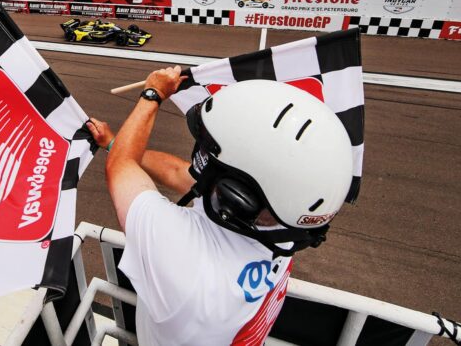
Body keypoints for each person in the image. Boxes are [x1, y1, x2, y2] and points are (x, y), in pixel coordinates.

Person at [86, 65, 354, 345]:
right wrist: (116, 142)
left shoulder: (179, 252)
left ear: (236, 195)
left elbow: (121, 165)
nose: (202, 152)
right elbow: (183, 174)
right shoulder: (283, 222)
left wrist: (153, 94)